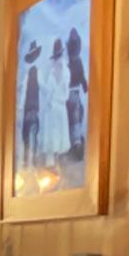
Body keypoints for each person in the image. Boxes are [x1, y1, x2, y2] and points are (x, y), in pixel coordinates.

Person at [42, 38, 71, 162]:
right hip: (61, 106)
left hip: (53, 105)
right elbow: (66, 90)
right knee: (61, 131)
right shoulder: (66, 72)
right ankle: (58, 160)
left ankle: (51, 162)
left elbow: (49, 91)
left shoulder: (53, 73)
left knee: (52, 131)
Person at [18, 41, 41, 167]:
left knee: (28, 134)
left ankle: (28, 160)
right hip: (32, 107)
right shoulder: (33, 71)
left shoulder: (30, 72)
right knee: (31, 134)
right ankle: (31, 160)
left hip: (30, 107)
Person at [66, 26, 88, 158]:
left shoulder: (67, 61)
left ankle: (74, 145)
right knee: (76, 118)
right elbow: (81, 75)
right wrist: (85, 86)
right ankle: (77, 145)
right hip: (73, 92)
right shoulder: (76, 61)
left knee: (73, 118)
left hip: (68, 93)